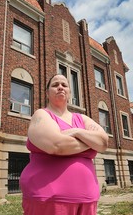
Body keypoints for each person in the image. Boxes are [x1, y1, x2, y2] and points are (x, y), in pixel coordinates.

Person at [19, 74, 109, 215]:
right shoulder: (41, 115)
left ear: (69, 93)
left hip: (87, 200)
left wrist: (76, 131)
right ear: (47, 92)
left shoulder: (82, 118)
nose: (60, 87)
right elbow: (57, 145)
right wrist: (91, 142)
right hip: (48, 200)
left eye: (64, 85)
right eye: (55, 85)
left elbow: (103, 142)